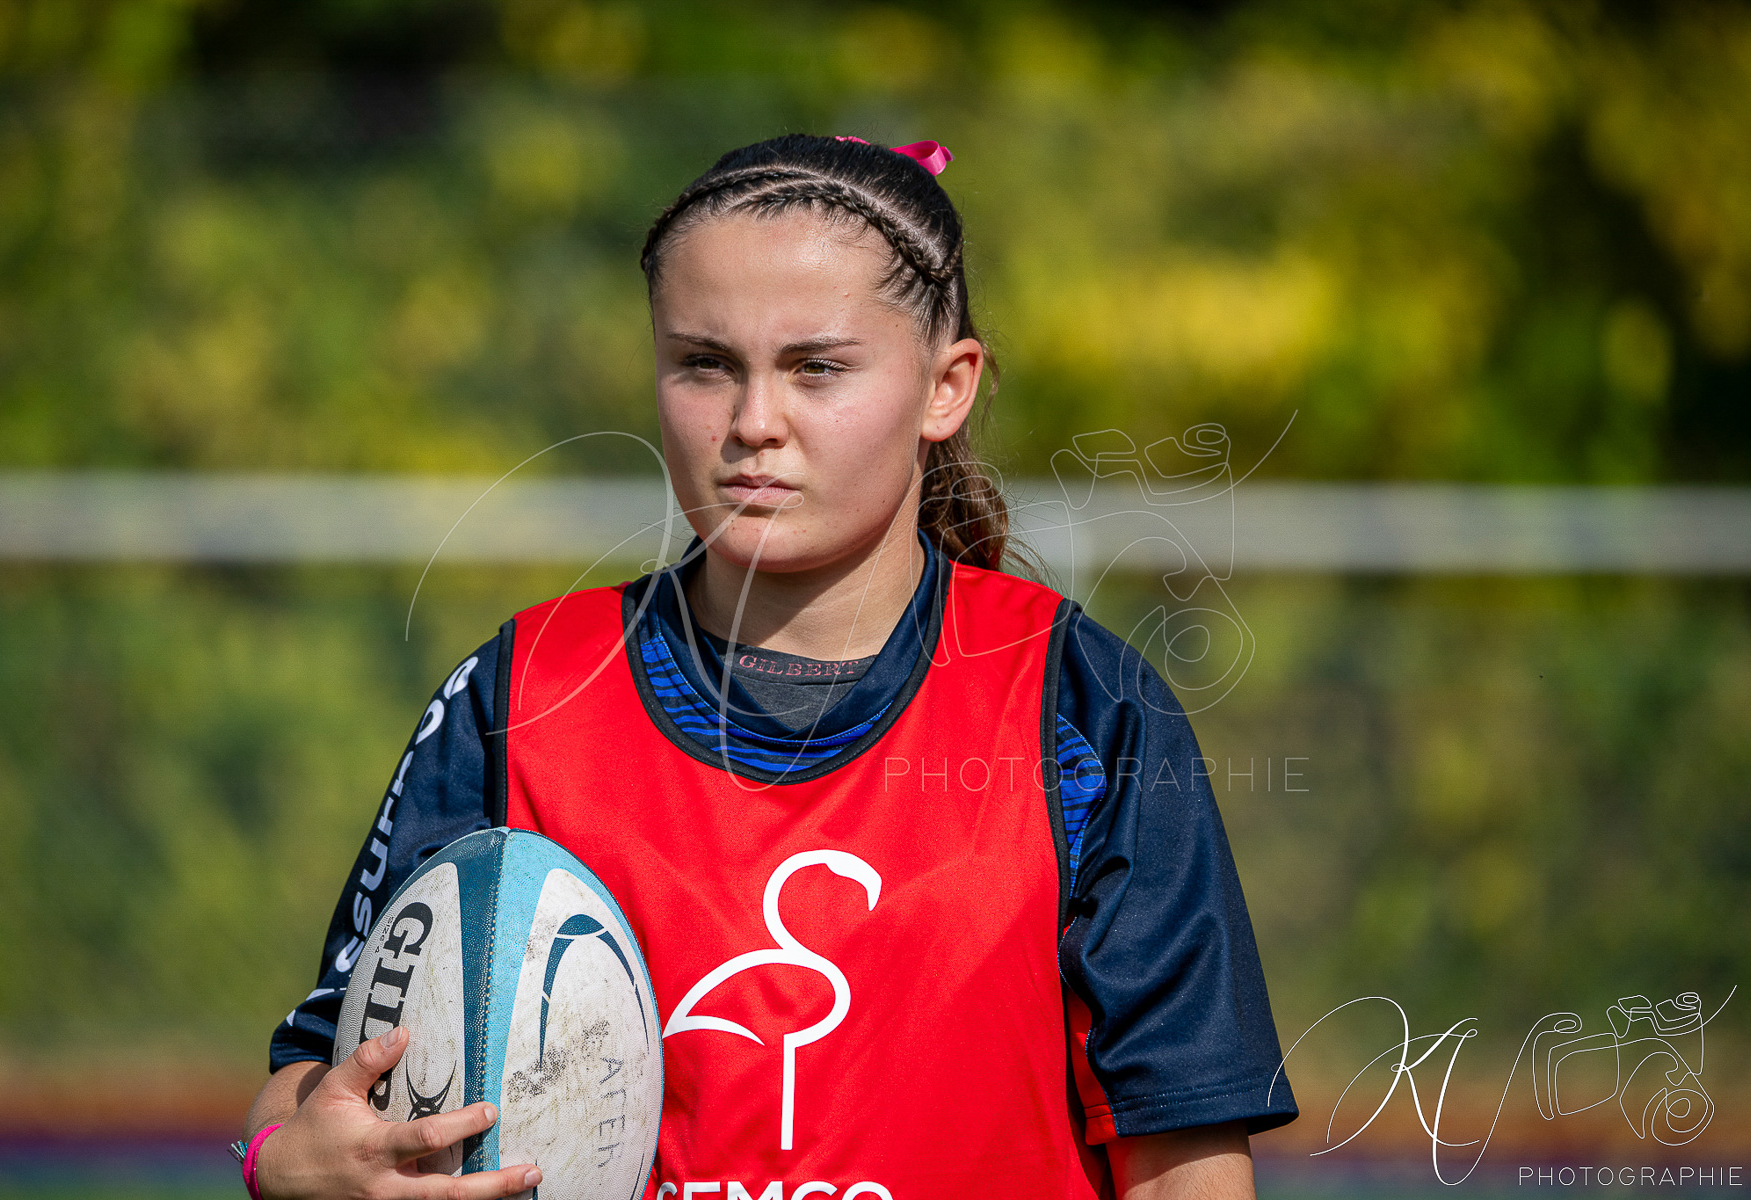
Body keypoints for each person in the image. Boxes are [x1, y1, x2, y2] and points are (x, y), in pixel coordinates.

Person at [239, 133, 1297, 1200]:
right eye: (705, 364)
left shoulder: (1078, 704)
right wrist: (284, 1163)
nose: (753, 424)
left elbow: (1184, 1166)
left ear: (947, 386)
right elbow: (317, 1078)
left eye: (818, 368)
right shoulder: (520, 698)